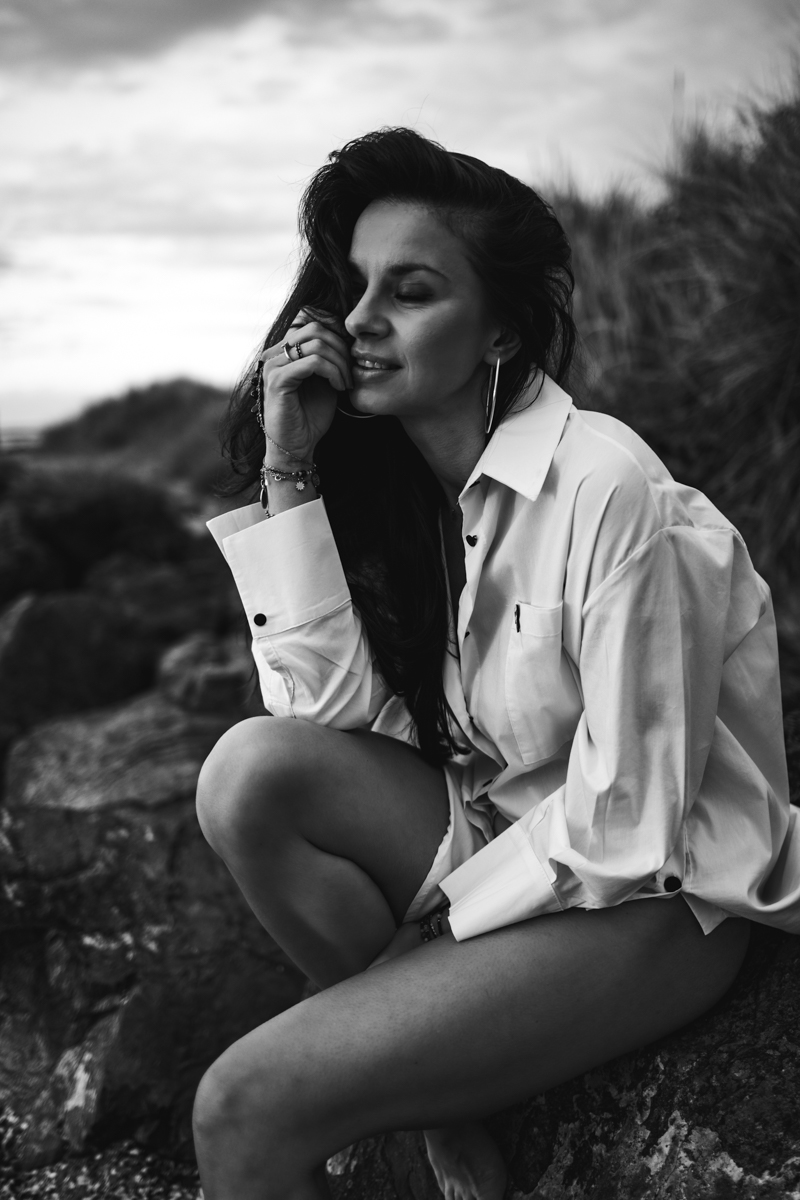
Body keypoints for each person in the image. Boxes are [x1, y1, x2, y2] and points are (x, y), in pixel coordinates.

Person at [193, 128, 794, 1200]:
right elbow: (321, 718)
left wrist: (425, 941)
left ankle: (419, 1075)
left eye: (410, 291)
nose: (362, 320)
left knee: (243, 1108)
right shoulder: (416, 494)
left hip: (654, 900)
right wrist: (291, 461)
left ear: (501, 329)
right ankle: (448, 1092)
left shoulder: (606, 486)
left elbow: (628, 824)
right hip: (506, 840)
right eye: (355, 288)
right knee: (247, 772)